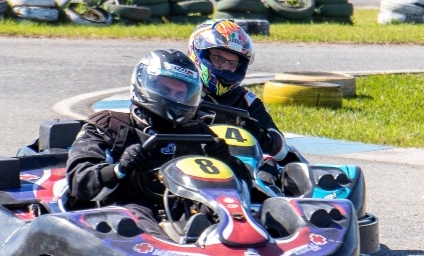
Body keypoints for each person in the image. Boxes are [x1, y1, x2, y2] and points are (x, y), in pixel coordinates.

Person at [66, 49, 248, 236]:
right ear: (145, 85)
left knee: (221, 208)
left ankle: (229, 239)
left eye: (180, 93)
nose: (174, 97)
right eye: (166, 89)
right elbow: (79, 180)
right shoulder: (108, 125)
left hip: (185, 205)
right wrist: (119, 169)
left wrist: (226, 161)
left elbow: (245, 187)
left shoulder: (197, 132)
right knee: (135, 215)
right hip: (127, 207)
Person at [188, 20, 287, 161]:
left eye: (232, 63)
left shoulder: (246, 101)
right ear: (198, 53)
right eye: (218, 58)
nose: (225, 67)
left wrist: (258, 134)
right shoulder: (180, 91)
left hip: (237, 170)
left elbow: (282, 152)